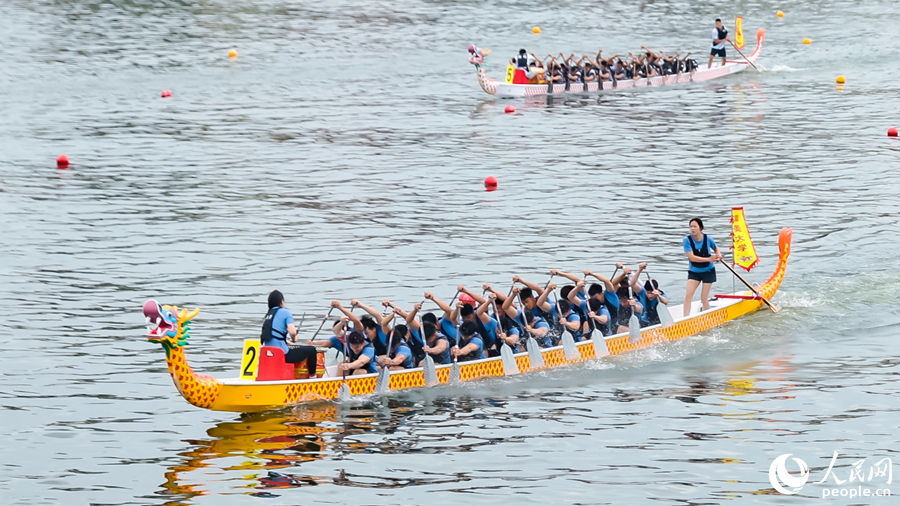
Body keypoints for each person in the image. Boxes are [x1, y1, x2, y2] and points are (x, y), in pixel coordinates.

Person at [260, 290, 318, 375]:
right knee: (312, 350)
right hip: (282, 354)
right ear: (281, 302)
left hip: (268, 353)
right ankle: (312, 377)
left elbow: (271, 333)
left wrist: (285, 340)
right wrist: (294, 338)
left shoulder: (268, 315)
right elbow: (292, 332)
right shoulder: (285, 312)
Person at [683, 217, 723, 315]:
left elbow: (715, 248)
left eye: (695, 227)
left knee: (704, 297)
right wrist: (709, 259)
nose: (692, 229)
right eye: (691, 227)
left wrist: (719, 255)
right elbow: (692, 258)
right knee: (688, 294)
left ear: (700, 228)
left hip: (708, 271)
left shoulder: (708, 238)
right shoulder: (687, 240)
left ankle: (707, 316)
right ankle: (685, 318)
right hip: (694, 272)